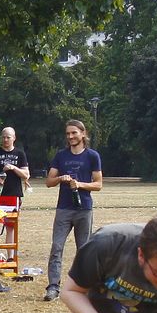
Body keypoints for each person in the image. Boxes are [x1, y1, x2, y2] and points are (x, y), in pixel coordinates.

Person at [42, 119, 103, 302]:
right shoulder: (61, 156)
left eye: (74, 133)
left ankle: (83, 288)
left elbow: (99, 184)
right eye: (68, 134)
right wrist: (60, 178)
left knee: (84, 250)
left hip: (84, 209)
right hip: (64, 209)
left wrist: (80, 184)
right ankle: (53, 286)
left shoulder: (92, 156)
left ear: (83, 134)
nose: (70, 137)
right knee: (56, 247)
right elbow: (48, 182)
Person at [0, 126, 33, 203]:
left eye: (8, 137)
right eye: (3, 137)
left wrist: (13, 168)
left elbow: (26, 175)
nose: (5, 140)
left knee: (12, 215)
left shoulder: (20, 154)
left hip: (14, 194)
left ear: (14, 138)